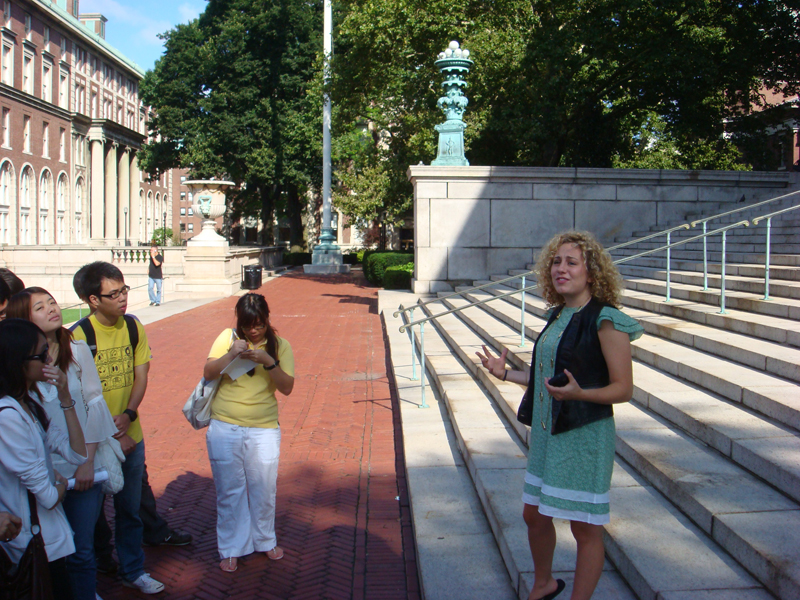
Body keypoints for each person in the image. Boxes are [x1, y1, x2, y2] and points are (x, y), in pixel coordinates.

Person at [477, 231, 643, 600]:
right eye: (556, 261)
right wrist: (505, 373)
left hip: (584, 436)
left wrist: (581, 394)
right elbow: (546, 381)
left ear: (591, 272)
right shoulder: (559, 315)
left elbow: (623, 389)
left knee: (585, 529)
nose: (561, 269)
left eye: (571, 262)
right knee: (534, 515)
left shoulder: (607, 320)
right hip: (549, 434)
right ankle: (544, 584)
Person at [71, 263, 192, 577]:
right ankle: (98, 564)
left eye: (124, 290)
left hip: (130, 433)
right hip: (92, 442)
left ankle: (133, 571)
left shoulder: (134, 326)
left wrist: (129, 414)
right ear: (92, 300)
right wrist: (105, 432)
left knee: (130, 509)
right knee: (91, 512)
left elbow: (141, 375)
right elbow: (73, 396)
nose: (123, 298)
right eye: (114, 294)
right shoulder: (78, 337)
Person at [8, 288, 118, 600]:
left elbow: (94, 406)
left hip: (80, 467)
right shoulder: (16, 381)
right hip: (40, 475)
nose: (51, 310)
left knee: (81, 550)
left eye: (52, 302)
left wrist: (87, 462)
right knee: (48, 552)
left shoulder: (77, 349)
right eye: (39, 307)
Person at [203, 293, 295, 573]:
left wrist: (268, 361)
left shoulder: (280, 346)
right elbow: (208, 372)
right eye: (247, 326)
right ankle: (232, 547)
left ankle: (265, 540)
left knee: (263, 486)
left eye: (258, 325)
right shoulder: (227, 338)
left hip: (263, 427)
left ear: (267, 320)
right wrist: (231, 354)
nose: (253, 331)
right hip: (225, 425)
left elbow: (287, 387)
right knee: (230, 489)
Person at [0, 319, 88, 600]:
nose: (49, 360)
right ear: (17, 362)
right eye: (41, 355)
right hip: (30, 545)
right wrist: (61, 485)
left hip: (50, 542)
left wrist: (65, 396)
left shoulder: (28, 406)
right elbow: (49, 497)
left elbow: (77, 453)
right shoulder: (8, 417)